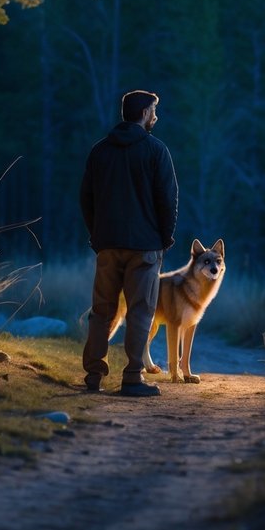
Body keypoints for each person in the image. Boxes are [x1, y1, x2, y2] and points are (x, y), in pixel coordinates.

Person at [79, 90, 179, 397]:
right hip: (145, 247)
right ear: (146, 113)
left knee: (102, 310)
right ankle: (132, 377)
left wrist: (97, 236)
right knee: (140, 310)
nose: (156, 117)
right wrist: (164, 239)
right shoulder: (156, 150)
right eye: (154, 111)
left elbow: (86, 198)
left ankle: (94, 376)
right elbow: (168, 199)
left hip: (108, 243)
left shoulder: (99, 151)